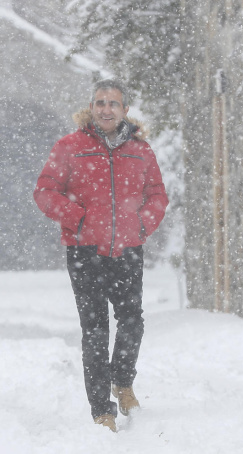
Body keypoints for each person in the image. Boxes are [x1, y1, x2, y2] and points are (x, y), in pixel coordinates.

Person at [33, 79, 168, 432]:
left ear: (125, 110)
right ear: (91, 108)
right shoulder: (70, 146)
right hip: (84, 251)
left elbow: (157, 196)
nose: (105, 108)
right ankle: (101, 410)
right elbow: (45, 192)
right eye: (99, 102)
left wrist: (140, 226)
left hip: (127, 249)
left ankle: (122, 382)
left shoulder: (141, 151)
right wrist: (77, 219)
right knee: (94, 331)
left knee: (132, 321)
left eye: (113, 103)